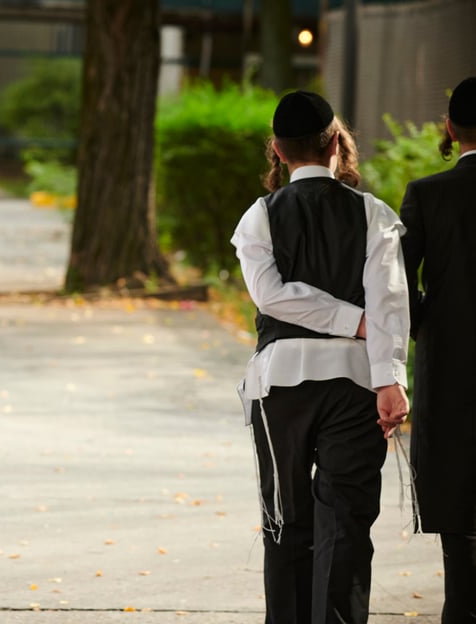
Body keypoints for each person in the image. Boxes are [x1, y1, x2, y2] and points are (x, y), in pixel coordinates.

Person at [232, 91, 410, 623]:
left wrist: (344, 320)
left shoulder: (259, 216)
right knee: (347, 522)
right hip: (356, 383)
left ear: (279, 152)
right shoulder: (373, 214)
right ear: (337, 143)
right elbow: (390, 303)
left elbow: (271, 296)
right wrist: (389, 378)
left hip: (279, 385)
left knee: (285, 521)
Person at [400, 76, 476, 623]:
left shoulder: (427, 194)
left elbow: (398, 284)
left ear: (449, 128)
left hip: (450, 362)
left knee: (454, 487)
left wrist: (428, 321)